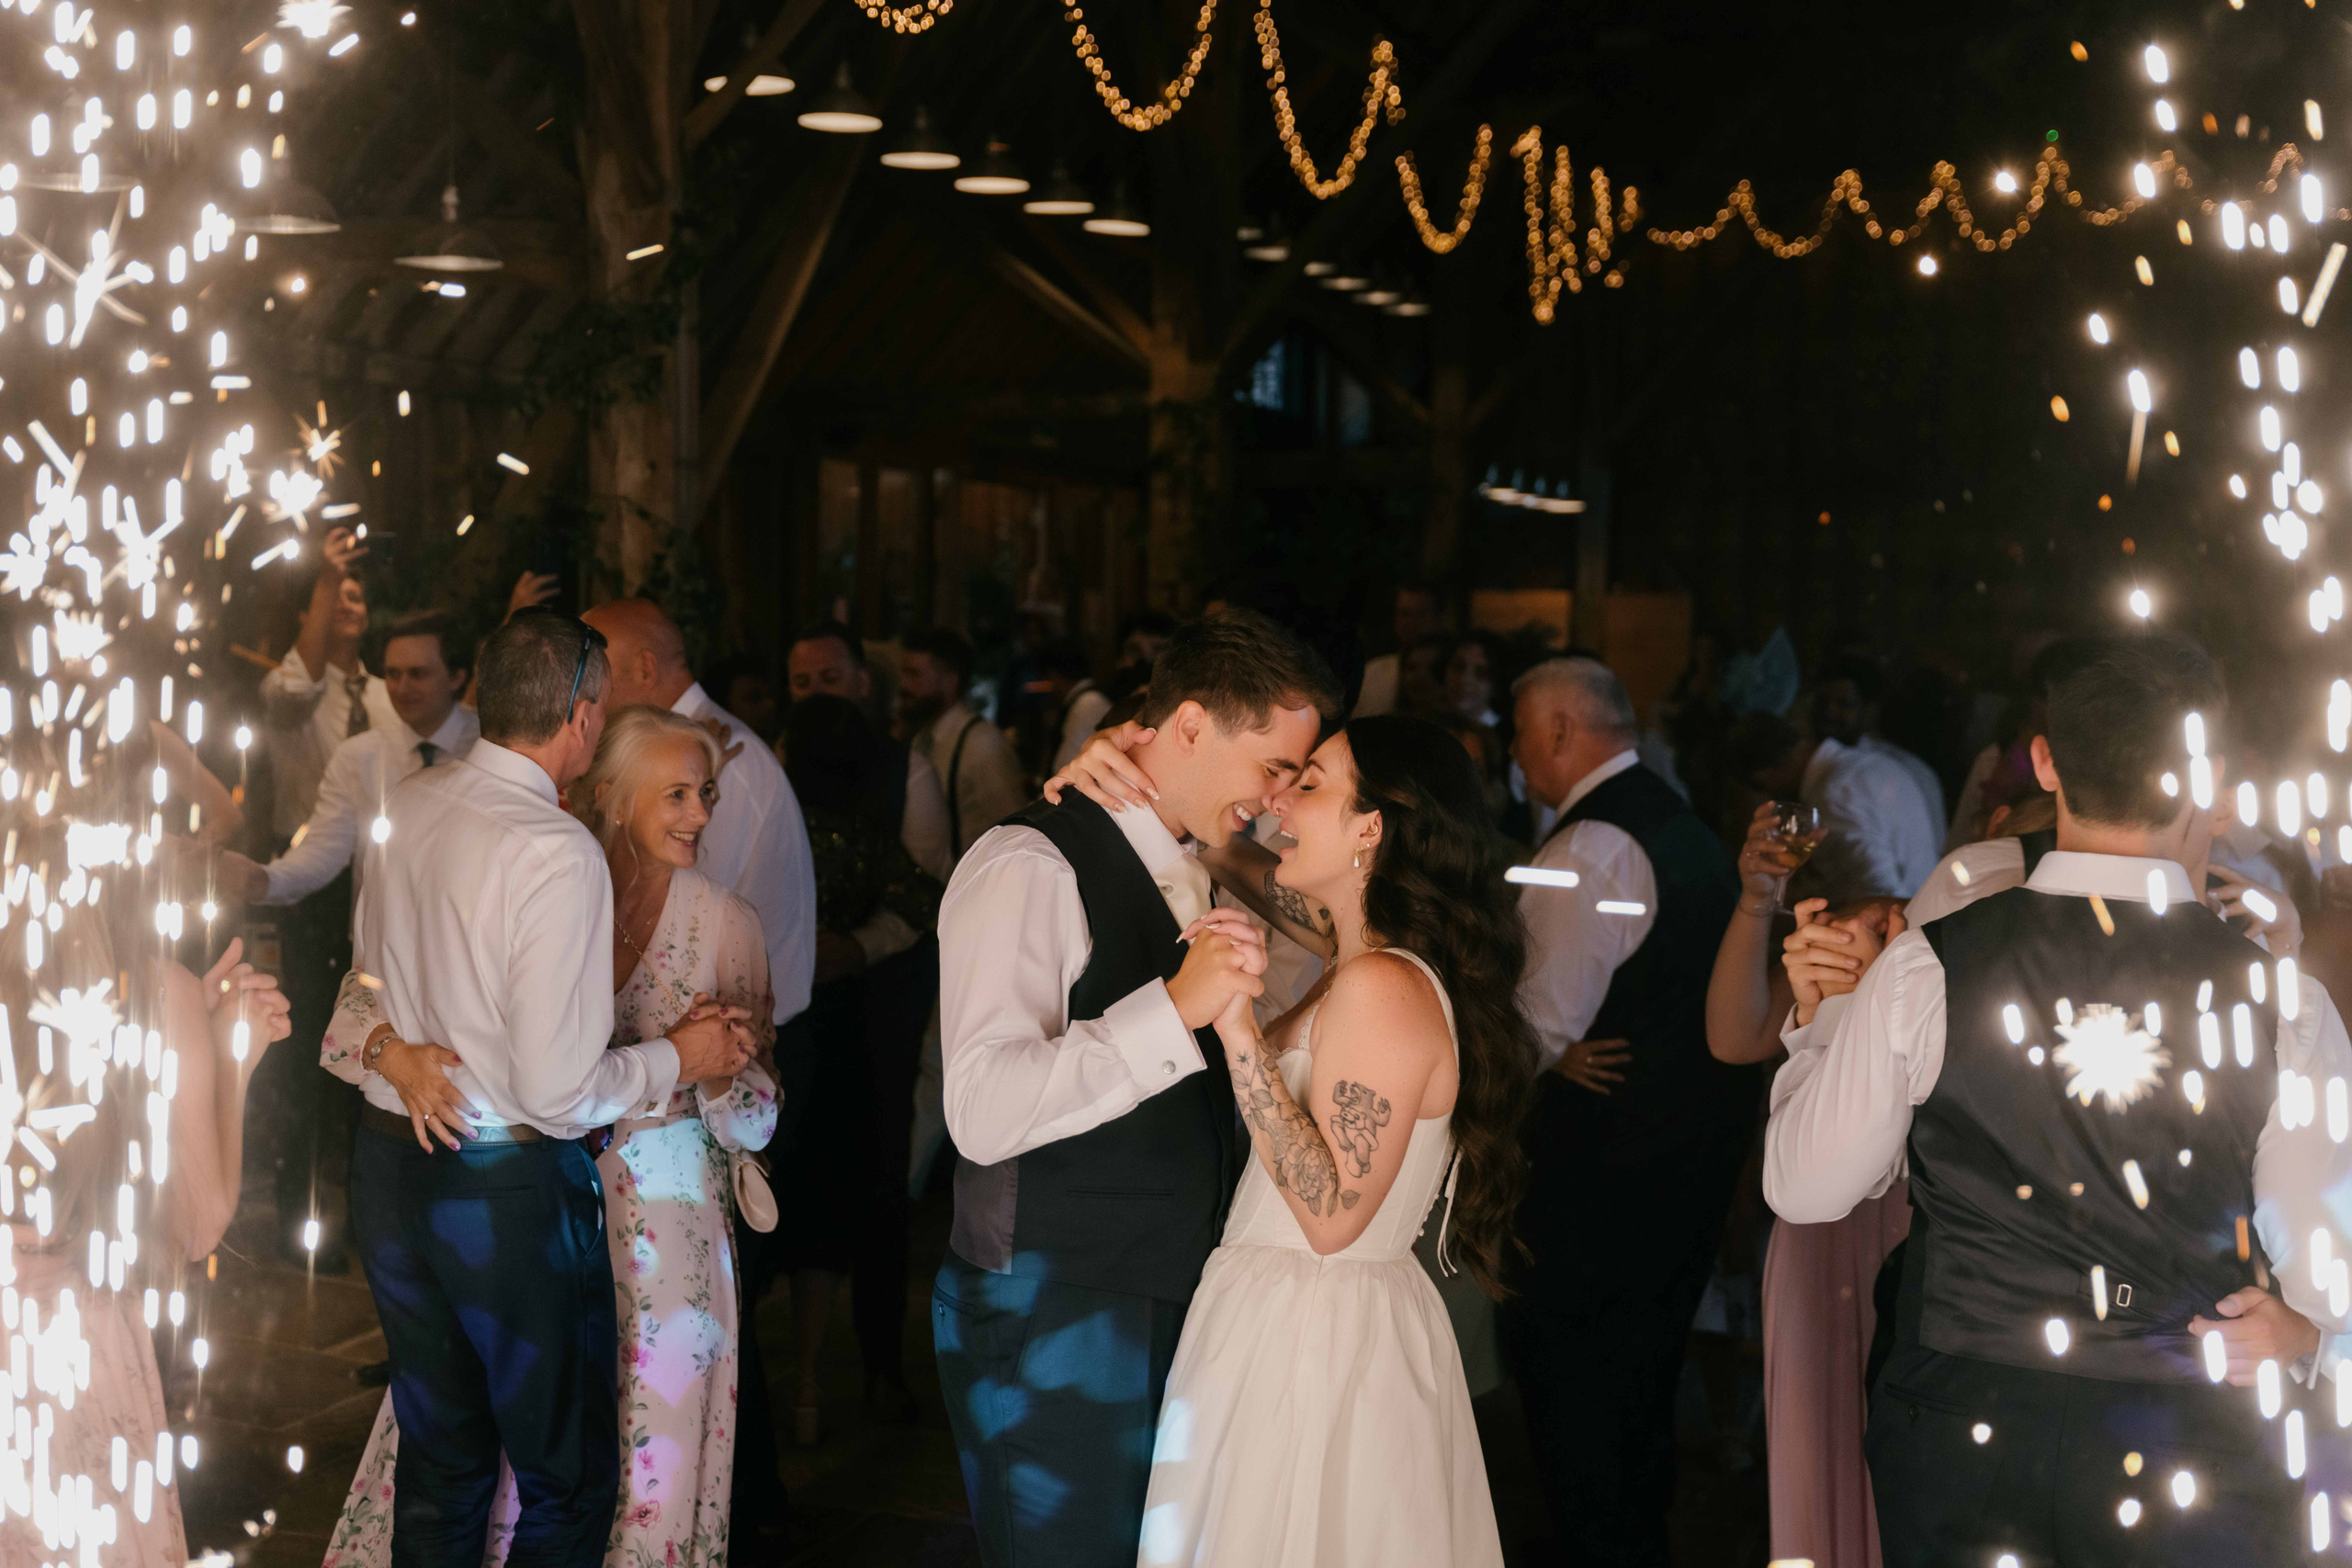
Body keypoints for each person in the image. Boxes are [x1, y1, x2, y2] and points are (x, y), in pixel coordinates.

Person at [1767, 635, 2350, 1567]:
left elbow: (1806, 1188)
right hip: (2181, 1436)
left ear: (2045, 760)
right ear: (2202, 776)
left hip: (1964, 1421)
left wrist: (1821, 1029)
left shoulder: (1931, 964)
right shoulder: (2282, 1002)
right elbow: (2332, 1268)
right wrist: (2311, 1335)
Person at [338, 608, 755, 1566]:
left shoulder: (411, 802)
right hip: (502, 1187)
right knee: (566, 1480)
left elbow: (362, 985)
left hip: (391, 1165)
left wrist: (396, 1051)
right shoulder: (556, 848)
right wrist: (679, 1057)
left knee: (442, 1463)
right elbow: (558, 1092)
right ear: (581, 714)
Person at [932, 607, 1338, 1566]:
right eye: (1272, 768)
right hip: (1052, 1304)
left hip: (1169, 1287)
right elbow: (980, 1110)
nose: (1277, 800)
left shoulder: (1200, 861)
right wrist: (1174, 1009)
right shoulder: (1028, 862)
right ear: (1190, 724)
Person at [1124, 715, 1531, 1565]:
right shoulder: (1359, 958)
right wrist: (1128, 775)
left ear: (1372, 826)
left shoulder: (1383, 985)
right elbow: (1226, 849)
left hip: (1319, 1330)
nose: (1280, 800)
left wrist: (1236, 1023)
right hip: (1291, 1310)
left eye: (1308, 785)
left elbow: (1334, 1214)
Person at [1501, 656, 1758, 1567]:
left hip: (1600, 1181)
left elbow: (1534, 1024)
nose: (1515, 752)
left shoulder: (1587, 848)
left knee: (1579, 1393)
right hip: (1682, 1161)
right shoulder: (1680, 823)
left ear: (1560, 730)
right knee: (1640, 1387)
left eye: (1521, 732)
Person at [218, 608, 481, 1267]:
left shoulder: (488, 747)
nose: (403, 687)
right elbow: (323, 852)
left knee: (461, 1101)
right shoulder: (362, 756)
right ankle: (381, 1245)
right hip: (382, 966)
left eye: (419, 673)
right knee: (368, 1101)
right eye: (393, 674)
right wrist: (264, 880)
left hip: (469, 964)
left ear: (458, 676)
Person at [774, 694, 944, 1440]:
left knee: (799, 1197)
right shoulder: (867, 833)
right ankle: (846, 1379)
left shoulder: (774, 827)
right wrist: (861, 945)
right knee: (862, 1194)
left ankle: (800, 1381)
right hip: (855, 1025)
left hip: (789, 1026)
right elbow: (922, 899)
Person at [788, 620, 954, 880]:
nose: (816, 693)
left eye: (830, 679)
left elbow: (931, 881)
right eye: (802, 682)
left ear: (863, 683)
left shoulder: (909, 774)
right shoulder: (774, 771)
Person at [1729, 705, 1941, 902]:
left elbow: (1879, 893)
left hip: (1908, 918)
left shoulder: (1831, 795)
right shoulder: (1868, 761)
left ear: (1765, 775)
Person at [899, 626, 1029, 862]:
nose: (903, 685)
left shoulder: (982, 744)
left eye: (914, 674)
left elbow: (1017, 832)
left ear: (950, 681)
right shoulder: (922, 736)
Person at [1354, 582, 1444, 717]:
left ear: (1439, 617)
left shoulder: (1455, 673)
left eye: (1422, 613)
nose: (1413, 622)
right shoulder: (1372, 673)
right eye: (1405, 614)